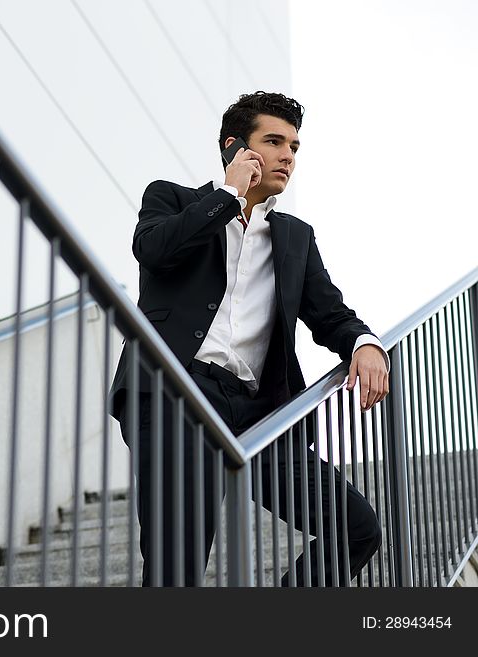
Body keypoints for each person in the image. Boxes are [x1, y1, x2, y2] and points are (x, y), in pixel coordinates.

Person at [108, 91, 389, 587]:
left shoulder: (295, 238)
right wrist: (227, 196)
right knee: (177, 566)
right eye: (275, 141)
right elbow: (153, 251)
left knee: (357, 529)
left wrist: (363, 343)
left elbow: (330, 314)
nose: (288, 156)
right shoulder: (173, 199)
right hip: (178, 395)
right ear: (236, 147)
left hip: (260, 413)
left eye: (295, 146)